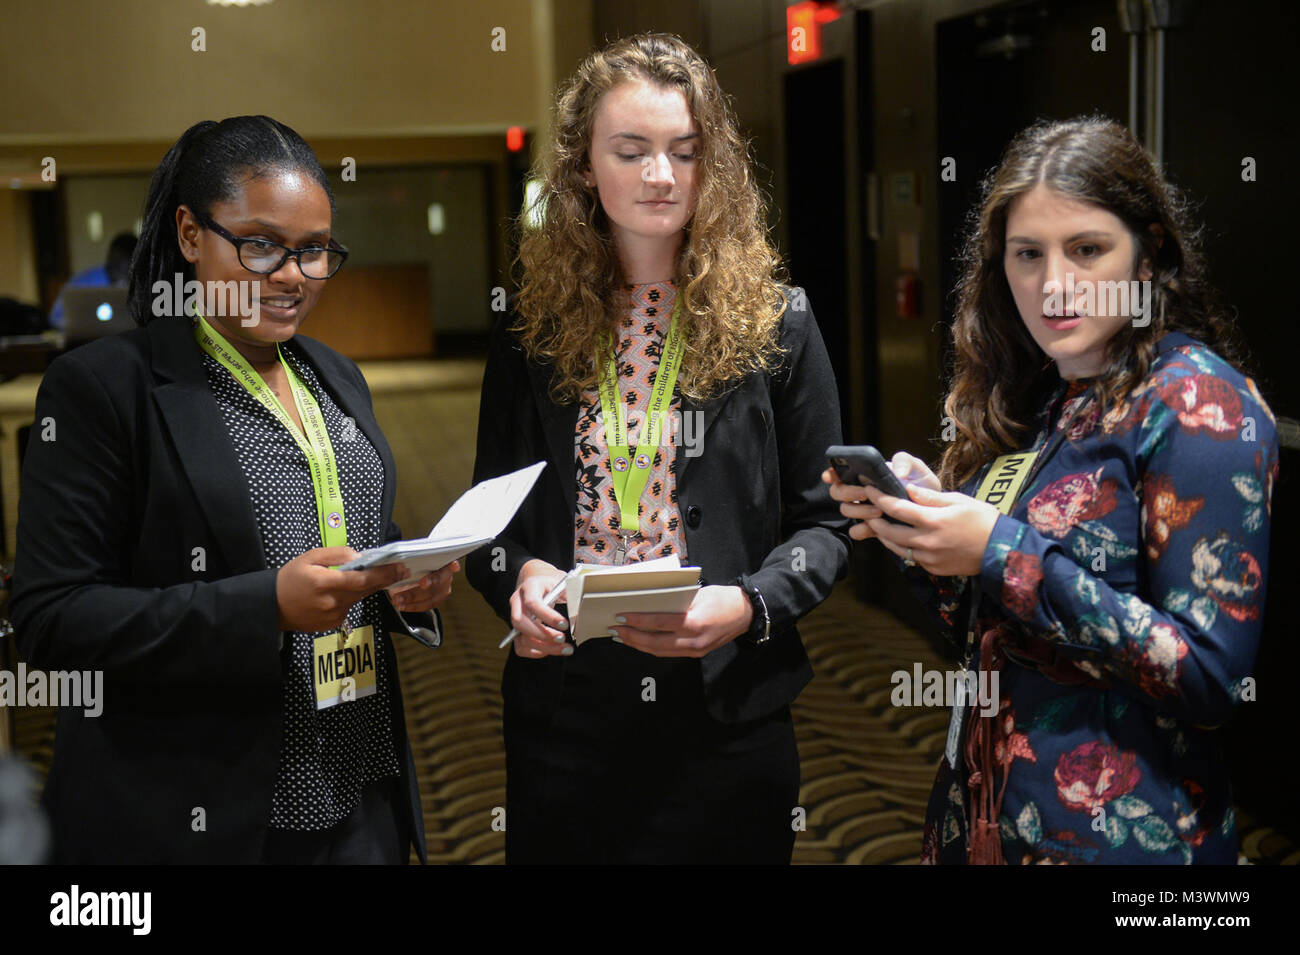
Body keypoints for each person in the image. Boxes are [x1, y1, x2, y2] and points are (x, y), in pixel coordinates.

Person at [825, 116, 1277, 864]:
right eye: (1028, 255)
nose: (1054, 284)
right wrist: (925, 532)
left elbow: (1210, 676)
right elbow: (983, 631)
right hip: (987, 816)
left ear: (1149, 253)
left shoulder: (1200, 406)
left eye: (1087, 249)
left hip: (1122, 838)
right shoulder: (1039, 397)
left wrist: (1001, 549)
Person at [11, 115, 458, 864]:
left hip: (358, 791)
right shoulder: (105, 389)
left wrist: (405, 585)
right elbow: (52, 620)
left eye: (315, 251)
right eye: (260, 245)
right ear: (190, 233)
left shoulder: (336, 376)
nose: (292, 274)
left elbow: (342, 543)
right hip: (207, 812)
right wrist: (263, 607)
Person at [466, 33, 851, 864]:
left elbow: (830, 524)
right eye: (631, 150)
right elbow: (485, 528)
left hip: (726, 700)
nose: (660, 175)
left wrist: (749, 604)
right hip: (567, 707)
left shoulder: (777, 323)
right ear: (582, 167)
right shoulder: (530, 328)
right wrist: (518, 579)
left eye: (684, 150)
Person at [48, 231, 137, 330]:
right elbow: (55, 318)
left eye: (128, 268)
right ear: (109, 259)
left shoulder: (143, 284)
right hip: (85, 342)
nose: (122, 274)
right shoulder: (81, 283)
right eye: (118, 265)